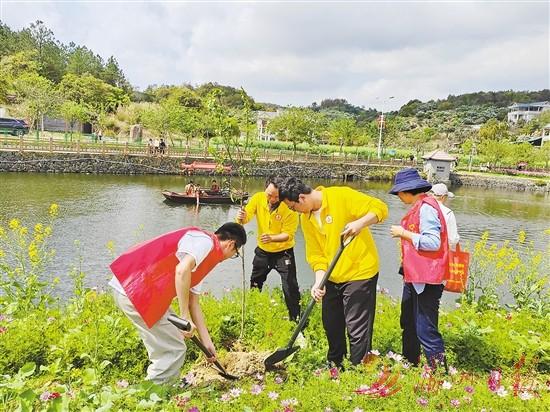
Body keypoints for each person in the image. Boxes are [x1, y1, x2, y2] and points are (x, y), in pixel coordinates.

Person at [109, 222, 247, 384]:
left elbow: (193, 303)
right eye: (235, 253)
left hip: (138, 291)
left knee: (171, 343)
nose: (232, 256)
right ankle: (153, 394)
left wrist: (206, 342)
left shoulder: (204, 257)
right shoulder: (205, 242)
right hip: (135, 288)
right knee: (173, 349)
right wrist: (184, 317)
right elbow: (182, 270)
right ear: (231, 244)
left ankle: (164, 384)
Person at [278, 177, 388, 367]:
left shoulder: (340, 196)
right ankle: (336, 366)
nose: (293, 212)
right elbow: (316, 254)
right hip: (332, 274)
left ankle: (358, 370)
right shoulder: (306, 218)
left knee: (356, 327)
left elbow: (380, 208)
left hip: (359, 272)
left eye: (292, 207)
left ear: (302, 198)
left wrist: (360, 223)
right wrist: (318, 281)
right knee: (331, 324)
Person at [388, 168, 449, 370]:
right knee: (408, 322)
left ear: (406, 191)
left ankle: (440, 373)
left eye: (399, 194)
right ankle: (410, 364)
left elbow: (433, 242)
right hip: (413, 277)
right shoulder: (420, 206)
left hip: (427, 280)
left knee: (426, 329)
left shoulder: (426, 208)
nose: (398, 197)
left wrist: (403, 233)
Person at [236, 177, 301, 321]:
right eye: (269, 195)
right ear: (265, 189)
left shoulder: (289, 208)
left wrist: (272, 238)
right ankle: (251, 315)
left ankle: (296, 319)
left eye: (276, 196)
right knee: (255, 282)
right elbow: (246, 218)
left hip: (283, 253)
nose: (272, 199)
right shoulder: (258, 198)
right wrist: (241, 216)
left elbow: (288, 235)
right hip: (263, 251)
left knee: (290, 286)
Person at [430, 183, 459, 251]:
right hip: (440, 251)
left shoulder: (423, 207)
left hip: (423, 251)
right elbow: (453, 239)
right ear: (443, 197)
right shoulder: (448, 212)